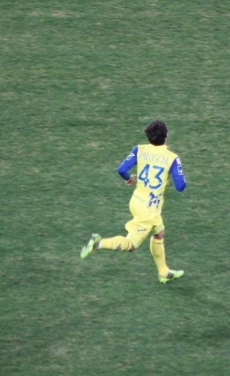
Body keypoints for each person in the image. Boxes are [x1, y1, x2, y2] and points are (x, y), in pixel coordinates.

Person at [80, 120, 186, 283]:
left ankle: (163, 272)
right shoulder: (172, 158)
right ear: (166, 137)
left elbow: (121, 169)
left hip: (136, 201)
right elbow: (180, 187)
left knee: (159, 233)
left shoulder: (139, 149)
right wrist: (178, 174)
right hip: (148, 209)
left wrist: (129, 178)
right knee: (131, 244)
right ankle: (98, 243)